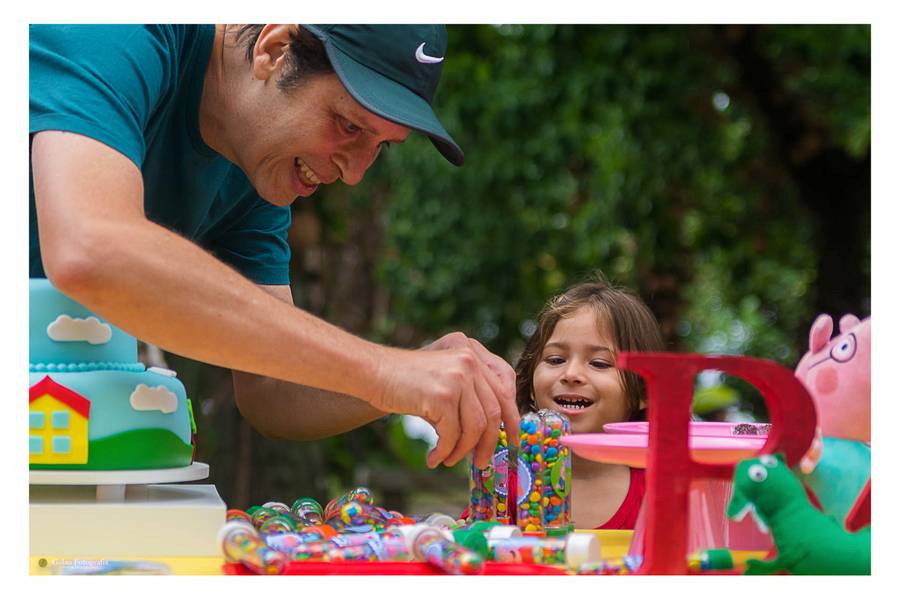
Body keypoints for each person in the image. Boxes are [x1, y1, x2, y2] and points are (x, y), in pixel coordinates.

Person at [29, 24, 519, 469]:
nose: (353, 174)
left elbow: (271, 387)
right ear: (275, 50)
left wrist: (414, 377)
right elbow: (90, 249)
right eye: (349, 126)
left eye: (382, 146)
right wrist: (385, 371)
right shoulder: (118, 27)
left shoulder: (255, 168)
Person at [514, 277, 665, 528]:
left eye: (599, 363)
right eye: (554, 360)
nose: (571, 374)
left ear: (643, 392)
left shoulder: (659, 493)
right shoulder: (504, 488)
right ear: (529, 383)